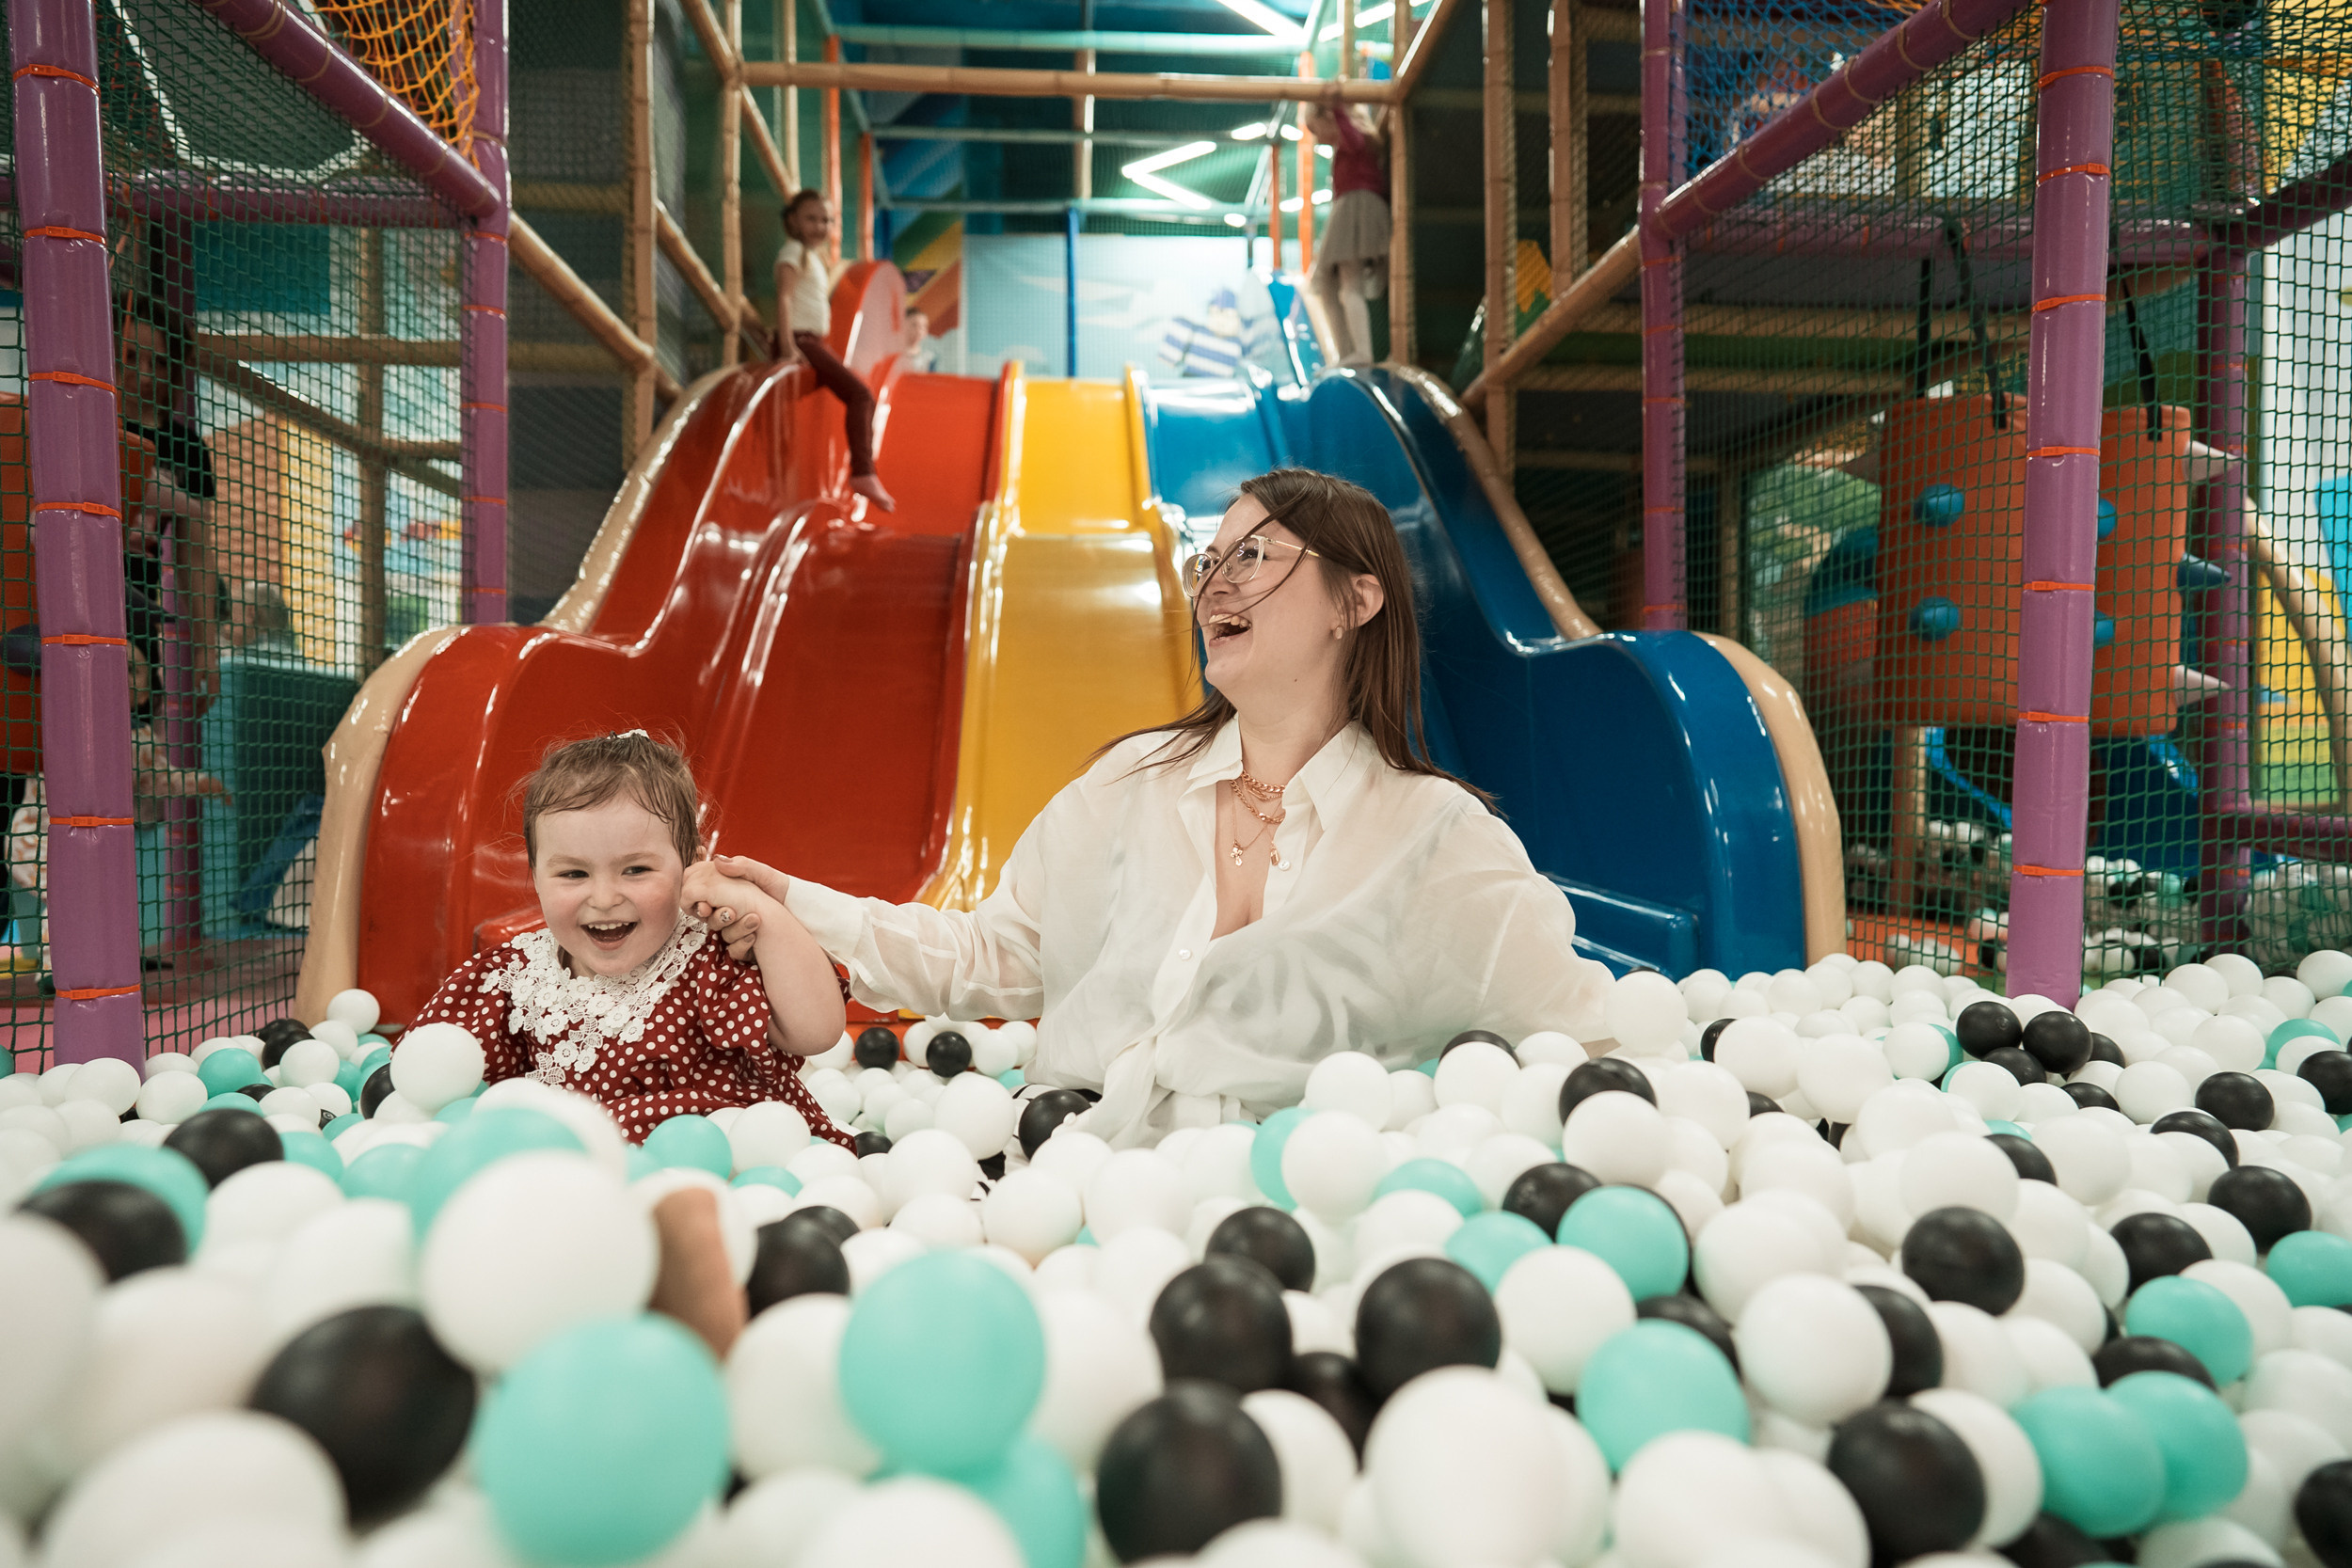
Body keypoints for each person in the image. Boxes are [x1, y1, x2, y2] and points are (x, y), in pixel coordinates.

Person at [696, 468, 1612, 1148]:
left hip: (1300, 1215)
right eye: (1206, 561)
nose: (1214, 582)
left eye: (1251, 554)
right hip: (1071, 1173)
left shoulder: (1435, 839)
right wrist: (797, 904)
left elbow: (1586, 1040)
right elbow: (993, 954)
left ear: (1355, 599)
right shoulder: (1130, 784)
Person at [403, 731, 856, 1146]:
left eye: (636, 869)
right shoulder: (513, 978)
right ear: (536, 879)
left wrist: (763, 913)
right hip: (577, 1179)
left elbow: (816, 1032)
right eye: (573, 873)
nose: (603, 898)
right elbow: (432, 1074)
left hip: (725, 1160)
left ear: (692, 867)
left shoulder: (710, 958)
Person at [116, 293, 220, 711]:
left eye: (157, 362)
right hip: (69, 599)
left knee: (132, 726)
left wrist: (205, 648)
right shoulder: (91, 422)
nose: (143, 373)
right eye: (131, 355)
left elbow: (196, 557)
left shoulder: (186, 449)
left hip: (136, 604)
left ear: (174, 370)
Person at [772, 191, 897, 513]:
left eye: (826, 220)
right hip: (801, 341)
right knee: (861, 395)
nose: (819, 226)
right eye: (811, 218)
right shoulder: (793, 252)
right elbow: (784, 298)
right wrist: (787, 345)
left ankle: (863, 472)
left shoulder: (812, 257)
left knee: (858, 395)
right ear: (792, 220)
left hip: (812, 341)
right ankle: (863, 473)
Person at [1302, 95, 1391, 368]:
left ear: (1329, 118)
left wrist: (1337, 108)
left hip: (1357, 205)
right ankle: (1347, 351)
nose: (1317, 140)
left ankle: (1360, 352)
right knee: (1328, 284)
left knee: (1349, 285)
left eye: (1316, 130)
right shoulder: (1349, 144)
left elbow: (1352, 138)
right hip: (1352, 206)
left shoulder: (1356, 139)